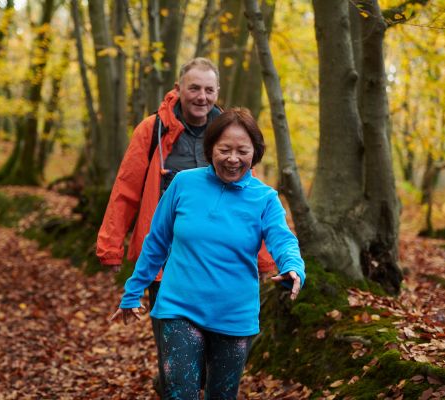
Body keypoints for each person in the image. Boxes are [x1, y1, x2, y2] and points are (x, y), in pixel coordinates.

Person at [97, 57, 274, 394]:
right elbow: (126, 189)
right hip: (168, 266)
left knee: (206, 369)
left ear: (217, 91)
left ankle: (171, 384)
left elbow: (251, 202)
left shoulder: (229, 134)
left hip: (219, 267)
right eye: (194, 88)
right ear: (178, 89)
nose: (201, 97)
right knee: (177, 361)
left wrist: (265, 259)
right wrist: (110, 247)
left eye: (209, 90)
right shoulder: (152, 130)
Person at [110, 108, 305, 399]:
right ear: (210, 148)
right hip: (179, 307)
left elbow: (281, 238)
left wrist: (292, 266)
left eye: (242, 151)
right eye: (224, 149)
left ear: (255, 152)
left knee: (221, 394)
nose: (233, 158)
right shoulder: (183, 183)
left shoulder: (265, 198)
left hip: (234, 315)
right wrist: (133, 291)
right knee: (179, 392)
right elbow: (156, 242)